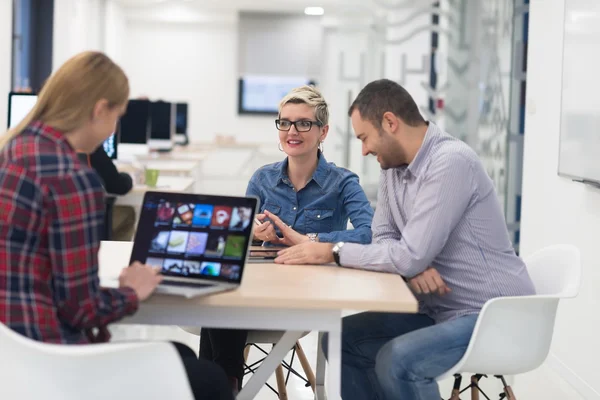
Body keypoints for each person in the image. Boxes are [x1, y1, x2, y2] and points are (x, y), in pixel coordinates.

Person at [274, 79, 536, 399]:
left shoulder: (450, 162)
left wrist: (334, 251)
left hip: (493, 314)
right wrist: (412, 264)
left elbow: (409, 253)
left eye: (365, 138)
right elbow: (385, 237)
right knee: (340, 339)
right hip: (438, 309)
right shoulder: (392, 168)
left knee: (399, 360)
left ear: (390, 123)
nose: (365, 150)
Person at [0, 51, 233, 400]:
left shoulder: (12, 151)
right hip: (53, 361)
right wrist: (131, 291)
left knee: (180, 355)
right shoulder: (71, 179)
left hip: (12, 357)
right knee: (210, 380)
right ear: (99, 110)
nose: (114, 129)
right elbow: (81, 309)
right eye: (117, 117)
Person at [199, 85, 374, 393]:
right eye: (285, 122)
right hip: (257, 291)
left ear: (323, 131)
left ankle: (220, 387)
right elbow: (236, 238)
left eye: (303, 123)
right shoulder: (262, 179)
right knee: (221, 295)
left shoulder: (343, 183)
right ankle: (222, 387)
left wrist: (310, 238)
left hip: (308, 295)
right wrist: (252, 231)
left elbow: (368, 233)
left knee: (223, 307)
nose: (292, 131)